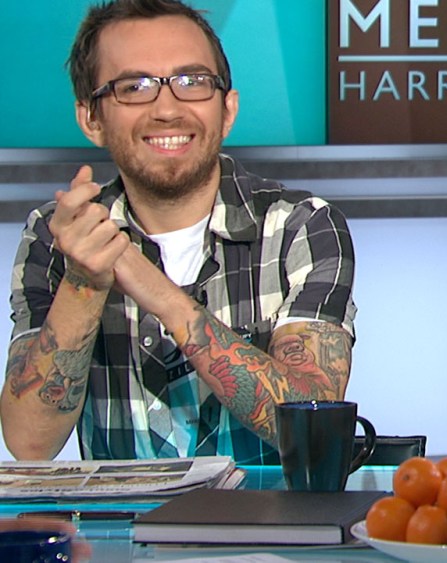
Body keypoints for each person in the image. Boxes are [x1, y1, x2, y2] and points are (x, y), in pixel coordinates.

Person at [0, 0, 356, 464]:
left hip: (265, 512)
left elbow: (312, 423)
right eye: (134, 87)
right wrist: (84, 282)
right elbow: (30, 443)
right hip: (119, 513)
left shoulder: (301, 225)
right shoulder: (56, 237)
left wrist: (152, 287)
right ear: (91, 119)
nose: (167, 109)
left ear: (227, 109)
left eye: (192, 82)